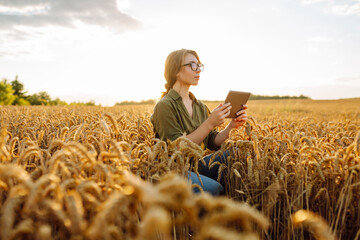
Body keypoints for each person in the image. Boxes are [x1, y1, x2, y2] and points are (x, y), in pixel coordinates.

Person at [150, 48, 248, 196]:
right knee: (214, 188)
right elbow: (176, 148)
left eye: (199, 65)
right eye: (192, 65)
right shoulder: (165, 105)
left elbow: (212, 141)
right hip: (172, 171)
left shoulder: (200, 106)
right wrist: (209, 123)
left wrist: (231, 126)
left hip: (194, 166)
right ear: (176, 71)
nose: (198, 70)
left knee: (234, 154)